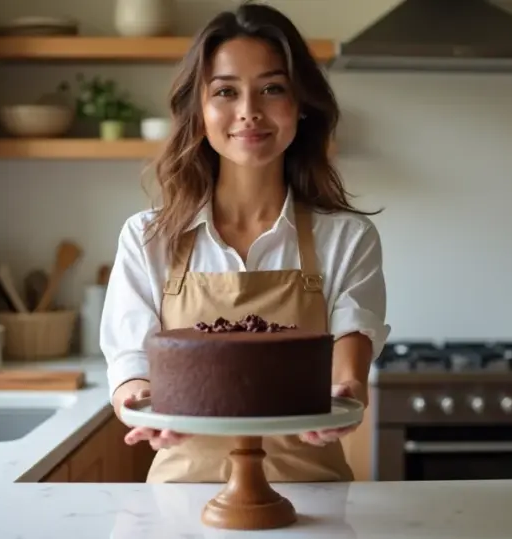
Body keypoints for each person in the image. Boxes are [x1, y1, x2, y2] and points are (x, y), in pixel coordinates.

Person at [99, 1, 390, 484]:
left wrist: (347, 391)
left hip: (312, 500)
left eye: (272, 89)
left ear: (301, 105)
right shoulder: (148, 238)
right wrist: (137, 402)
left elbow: (352, 337)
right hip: (180, 503)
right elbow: (130, 358)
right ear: (199, 111)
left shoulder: (346, 237)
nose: (249, 112)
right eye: (226, 92)